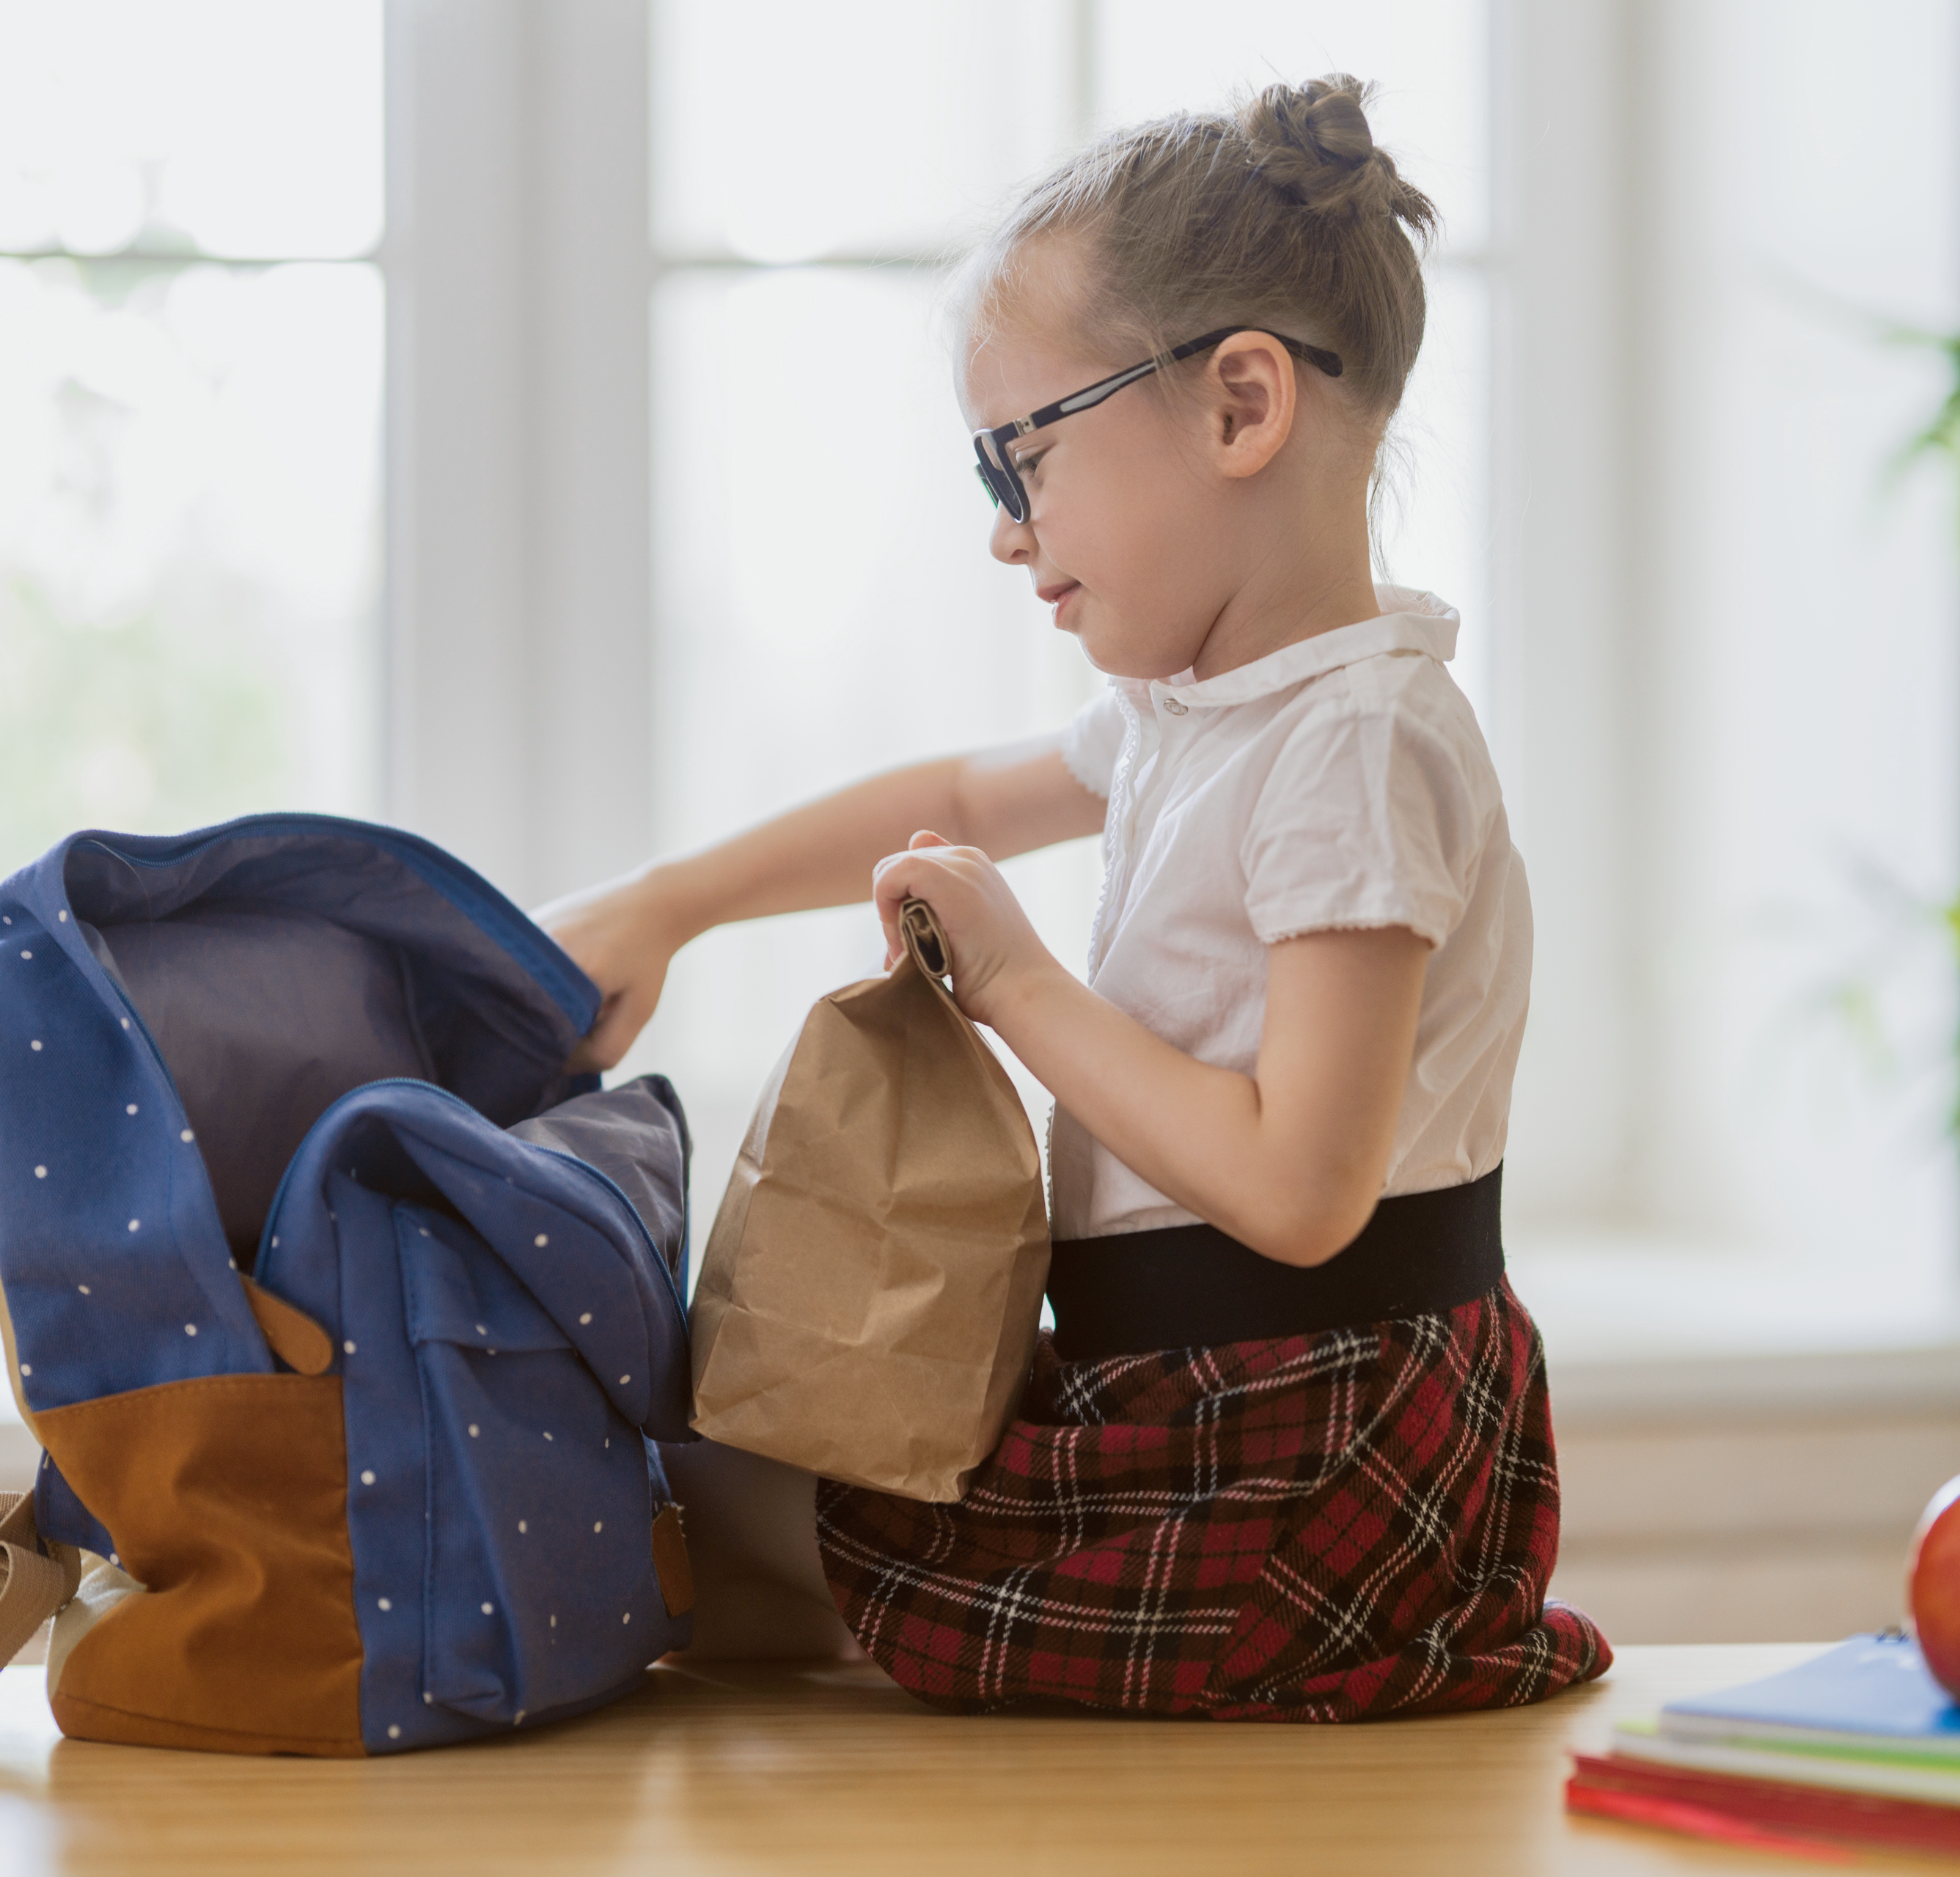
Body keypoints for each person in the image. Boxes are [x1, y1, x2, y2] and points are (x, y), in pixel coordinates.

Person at [538, 74, 1610, 1720]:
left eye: (1018, 462)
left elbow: (1303, 1184)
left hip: (1305, 1425)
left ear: (1242, 406)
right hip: (1198, 1381)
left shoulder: (1356, 741)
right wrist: (670, 899)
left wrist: (1020, 984)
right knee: (743, 1506)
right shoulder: (1221, 708)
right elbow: (963, 797)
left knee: (752, 1537)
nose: (1005, 532)